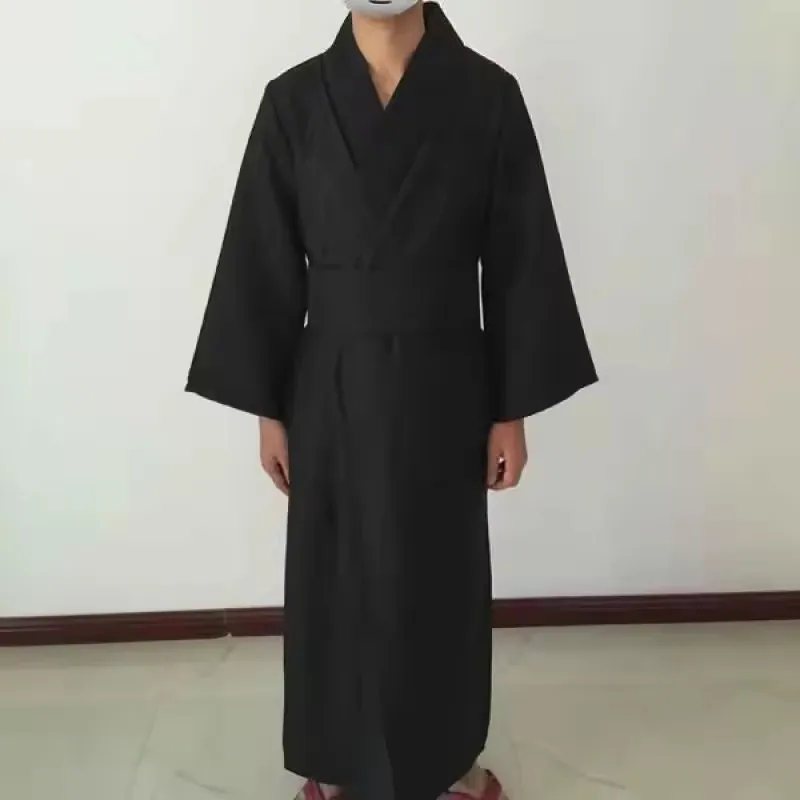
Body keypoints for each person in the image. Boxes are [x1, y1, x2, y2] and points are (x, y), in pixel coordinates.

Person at [186, 1, 597, 798]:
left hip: (448, 378)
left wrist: (509, 408)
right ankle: (338, 764)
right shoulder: (294, 101)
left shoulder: (487, 96)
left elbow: (520, 257)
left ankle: (446, 759)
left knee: (437, 573)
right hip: (330, 381)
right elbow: (262, 259)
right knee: (334, 574)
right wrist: (271, 409)